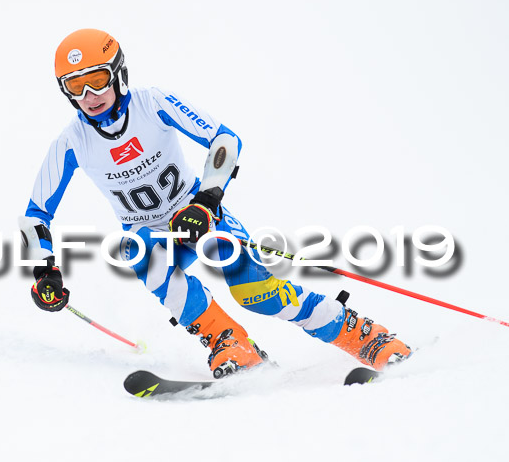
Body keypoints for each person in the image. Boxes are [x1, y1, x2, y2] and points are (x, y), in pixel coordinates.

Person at [20, 28, 411, 379]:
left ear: (119, 74)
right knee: (140, 256)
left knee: (258, 294)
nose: (90, 96)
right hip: (149, 232)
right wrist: (44, 269)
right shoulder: (72, 142)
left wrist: (207, 200)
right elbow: (36, 214)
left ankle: (367, 338)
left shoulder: (152, 103)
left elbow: (224, 140)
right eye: (76, 86)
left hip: (198, 213)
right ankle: (231, 344)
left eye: (98, 80)